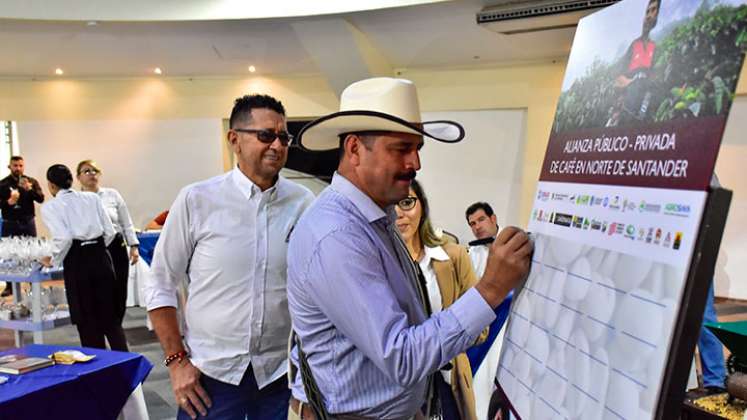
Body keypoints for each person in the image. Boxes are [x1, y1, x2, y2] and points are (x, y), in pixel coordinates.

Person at [286, 77, 532, 419]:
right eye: (401, 149)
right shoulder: (336, 235)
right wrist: (491, 288)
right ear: (355, 149)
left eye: (417, 148)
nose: (416, 163)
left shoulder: (376, 218)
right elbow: (400, 357)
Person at [144, 94, 315, 420]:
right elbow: (161, 283)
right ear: (234, 140)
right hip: (211, 379)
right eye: (265, 135)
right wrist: (176, 362)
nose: (277, 146)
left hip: (281, 376)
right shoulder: (198, 200)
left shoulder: (303, 203)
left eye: (283, 137)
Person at [395, 179, 486, 420]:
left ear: (421, 206)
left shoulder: (454, 256)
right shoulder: (375, 264)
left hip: (447, 381)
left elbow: (481, 327)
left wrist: (438, 340)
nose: (398, 214)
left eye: (406, 202)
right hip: (396, 390)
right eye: (389, 204)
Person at [40, 164, 127, 350]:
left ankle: (98, 372)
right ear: (72, 180)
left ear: (51, 185)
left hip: (78, 262)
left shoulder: (50, 207)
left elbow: (63, 238)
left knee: (87, 322)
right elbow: (110, 232)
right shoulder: (92, 198)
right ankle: (128, 371)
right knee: (111, 319)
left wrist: (51, 259)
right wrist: (96, 248)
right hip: (101, 257)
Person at [77, 159, 139, 331]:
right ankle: (104, 326)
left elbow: (126, 222)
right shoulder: (77, 200)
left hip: (116, 246)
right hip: (91, 249)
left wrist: (133, 246)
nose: (91, 174)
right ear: (78, 177)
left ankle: (115, 325)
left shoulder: (112, 194)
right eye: (86, 171)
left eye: (95, 170)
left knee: (119, 289)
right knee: (100, 292)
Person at [607, 0, 660, 126]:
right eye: (647, 11)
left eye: (653, 11)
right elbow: (616, 76)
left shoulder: (657, 46)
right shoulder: (635, 44)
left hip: (646, 102)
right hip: (628, 102)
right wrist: (630, 82)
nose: (648, 15)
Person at [0, 156, 45, 296]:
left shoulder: (31, 181)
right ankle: (10, 285)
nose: (18, 168)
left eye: (20, 165)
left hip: (28, 222)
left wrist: (30, 190)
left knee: (32, 252)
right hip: (10, 223)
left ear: (23, 166)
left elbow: (41, 198)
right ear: (9, 166)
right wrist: (8, 203)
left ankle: (34, 282)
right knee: (9, 254)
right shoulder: (2, 184)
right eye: (15, 165)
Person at [465, 202, 500, 278]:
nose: (477, 227)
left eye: (481, 219)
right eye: (473, 224)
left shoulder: (512, 241)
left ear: (493, 219)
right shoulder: (472, 252)